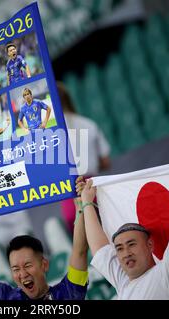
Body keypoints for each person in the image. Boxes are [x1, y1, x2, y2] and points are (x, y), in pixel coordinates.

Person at [77, 158, 169, 299]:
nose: (126, 253)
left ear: (150, 245)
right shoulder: (122, 281)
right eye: (119, 248)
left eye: (131, 244)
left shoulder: (168, 272)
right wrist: (86, 202)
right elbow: (99, 248)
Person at [56, 82, 111, 233]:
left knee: (81, 240)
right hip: (93, 186)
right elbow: (106, 161)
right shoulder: (89, 123)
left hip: (70, 190)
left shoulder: (51, 130)